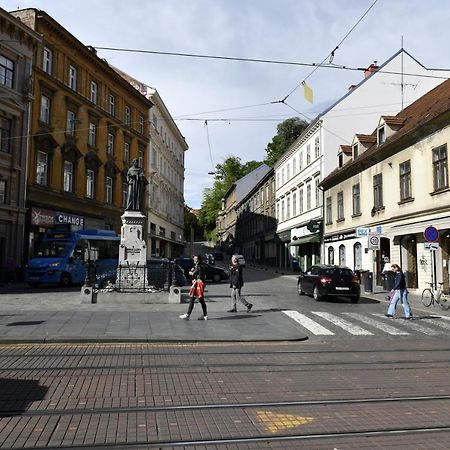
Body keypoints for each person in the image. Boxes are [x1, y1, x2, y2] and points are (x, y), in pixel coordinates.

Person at [179, 255, 208, 320]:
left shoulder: (199, 266)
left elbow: (199, 275)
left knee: (192, 299)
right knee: (201, 299)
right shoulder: (201, 266)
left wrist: (192, 273)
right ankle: (205, 315)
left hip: (197, 285)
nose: (195, 260)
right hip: (199, 285)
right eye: (194, 259)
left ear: (199, 259)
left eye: (196, 259)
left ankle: (188, 315)